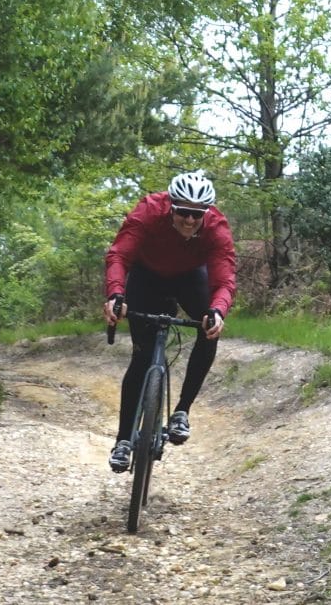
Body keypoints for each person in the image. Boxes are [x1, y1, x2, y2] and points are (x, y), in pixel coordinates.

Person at [103, 171, 237, 472]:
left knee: (210, 326)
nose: (190, 221)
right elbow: (119, 256)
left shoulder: (215, 227)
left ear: (207, 213)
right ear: (171, 207)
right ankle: (123, 441)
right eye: (184, 213)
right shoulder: (149, 211)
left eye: (197, 215)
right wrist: (115, 295)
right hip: (146, 277)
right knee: (142, 356)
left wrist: (218, 310)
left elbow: (224, 277)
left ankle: (181, 412)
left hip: (190, 279)